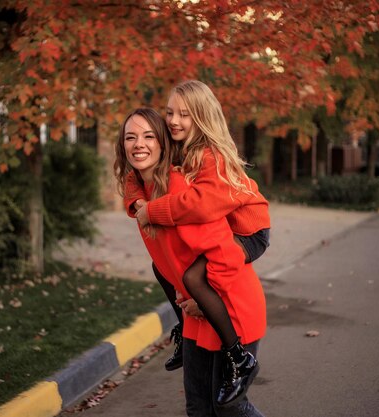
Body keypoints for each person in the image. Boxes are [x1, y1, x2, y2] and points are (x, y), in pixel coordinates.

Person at [114, 108, 267, 415]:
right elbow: (166, 260)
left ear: (163, 144)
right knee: (199, 408)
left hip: (229, 307)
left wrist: (202, 292)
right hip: (196, 315)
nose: (138, 144)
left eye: (148, 136)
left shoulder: (179, 192)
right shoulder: (142, 190)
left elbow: (224, 252)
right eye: (130, 137)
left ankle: (239, 358)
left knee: (229, 410)